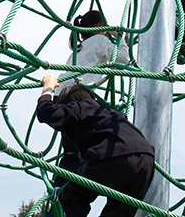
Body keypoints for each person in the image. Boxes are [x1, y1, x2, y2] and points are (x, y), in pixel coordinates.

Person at [38, 80, 155, 217]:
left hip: (114, 154)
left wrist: (48, 87)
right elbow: (71, 161)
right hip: (146, 160)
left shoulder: (79, 108)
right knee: (119, 213)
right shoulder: (106, 115)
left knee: (73, 198)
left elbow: (45, 112)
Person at [61, 9, 129, 90]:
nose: (107, 34)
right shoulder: (99, 40)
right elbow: (123, 58)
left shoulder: (78, 50)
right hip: (77, 94)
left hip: (62, 92)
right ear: (99, 27)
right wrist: (118, 35)